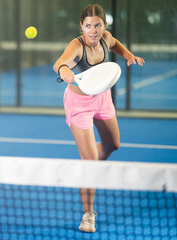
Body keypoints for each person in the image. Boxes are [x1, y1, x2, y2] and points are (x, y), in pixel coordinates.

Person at [53, 4, 144, 233]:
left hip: (102, 98)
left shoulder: (106, 38)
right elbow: (60, 62)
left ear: (104, 25)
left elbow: (115, 45)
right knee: (91, 163)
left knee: (113, 144)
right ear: (81, 26)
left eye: (98, 25)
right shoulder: (77, 45)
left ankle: (88, 168)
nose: (93, 30)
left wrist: (129, 55)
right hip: (79, 104)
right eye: (88, 26)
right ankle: (87, 215)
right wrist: (64, 70)